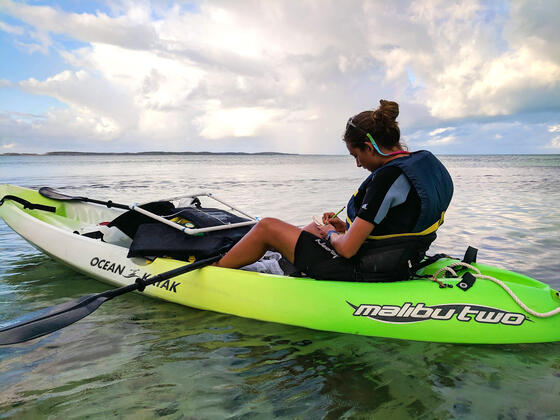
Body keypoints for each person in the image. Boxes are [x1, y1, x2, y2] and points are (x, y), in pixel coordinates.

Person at [214, 100, 453, 281]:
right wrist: (343, 228)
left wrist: (330, 234)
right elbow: (400, 222)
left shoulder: (388, 177)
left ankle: (216, 275)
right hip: (400, 257)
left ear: (368, 147)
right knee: (311, 229)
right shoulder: (422, 164)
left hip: (368, 267)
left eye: (356, 155)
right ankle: (277, 267)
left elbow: (348, 249)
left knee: (267, 227)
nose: (358, 164)